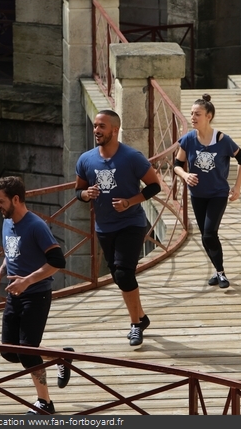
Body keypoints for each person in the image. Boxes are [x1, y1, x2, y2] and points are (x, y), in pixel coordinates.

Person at [75, 110, 161, 347]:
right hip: (104, 226)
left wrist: (129, 202)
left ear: (115, 129)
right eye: (95, 126)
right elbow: (78, 191)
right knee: (118, 275)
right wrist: (86, 194)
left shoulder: (132, 157)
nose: (96, 131)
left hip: (131, 223)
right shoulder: (86, 159)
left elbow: (155, 186)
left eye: (102, 126)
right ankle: (141, 318)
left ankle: (135, 325)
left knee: (123, 273)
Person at [0, 176, 73, 415]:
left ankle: (45, 403)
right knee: (9, 351)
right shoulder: (7, 222)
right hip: (14, 295)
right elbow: (11, 252)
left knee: (26, 352)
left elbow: (57, 260)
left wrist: (27, 281)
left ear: (16, 199)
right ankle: (60, 358)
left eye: (0, 201)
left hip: (36, 295)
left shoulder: (36, 225)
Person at [173, 94, 241, 288]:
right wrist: (185, 175)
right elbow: (176, 164)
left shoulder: (223, 140)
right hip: (197, 195)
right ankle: (218, 271)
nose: (193, 117)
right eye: (191, 114)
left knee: (208, 234)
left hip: (218, 194)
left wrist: (237, 187)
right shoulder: (188, 139)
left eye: (197, 114)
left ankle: (221, 273)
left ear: (209, 116)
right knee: (207, 235)